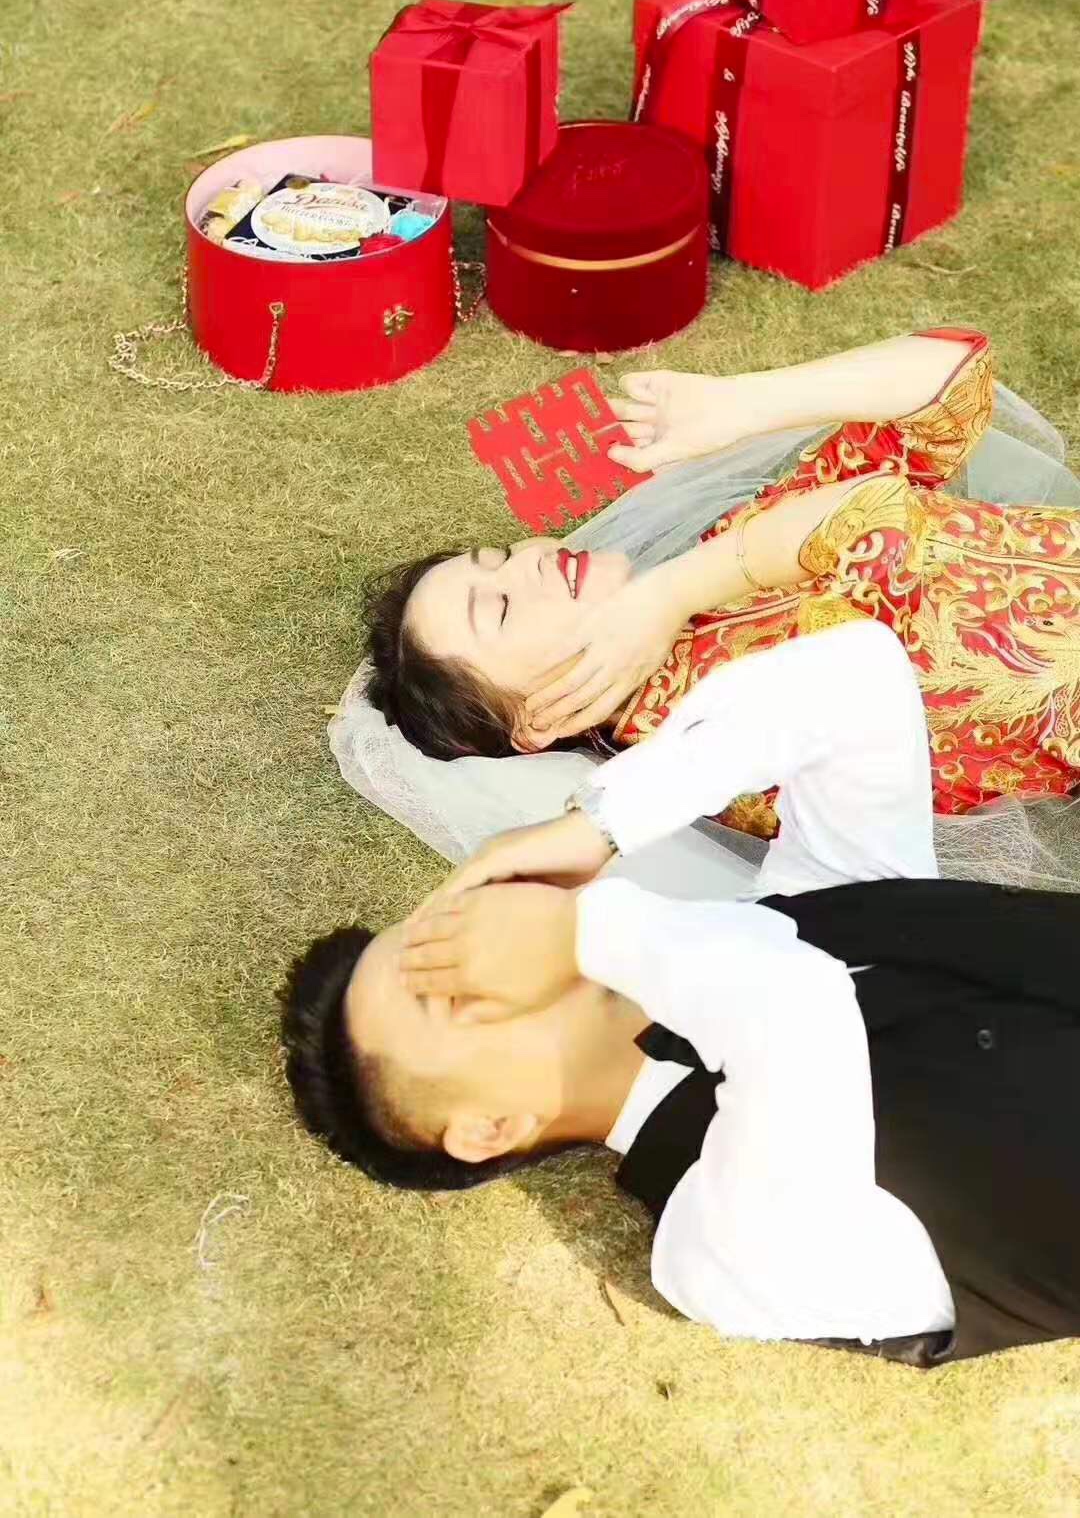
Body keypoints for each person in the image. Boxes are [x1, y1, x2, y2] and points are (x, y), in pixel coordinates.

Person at [284, 623, 1080, 1366]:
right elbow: (792, 1013)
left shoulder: (788, 915)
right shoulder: (714, 1253)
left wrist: (601, 826)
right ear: (492, 1126)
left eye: (452, 933)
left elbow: (858, 674)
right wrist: (581, 931)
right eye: (447, 988)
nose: (484, 943)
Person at [361, 328, 1080, 839]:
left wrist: (747, 402)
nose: (531, 563)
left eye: (502, 555)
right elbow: (878, 524)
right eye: (501, 607)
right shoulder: (712, 747)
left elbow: (952, 379)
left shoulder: (715, 559)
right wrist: (673, 593)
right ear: (536, 723)